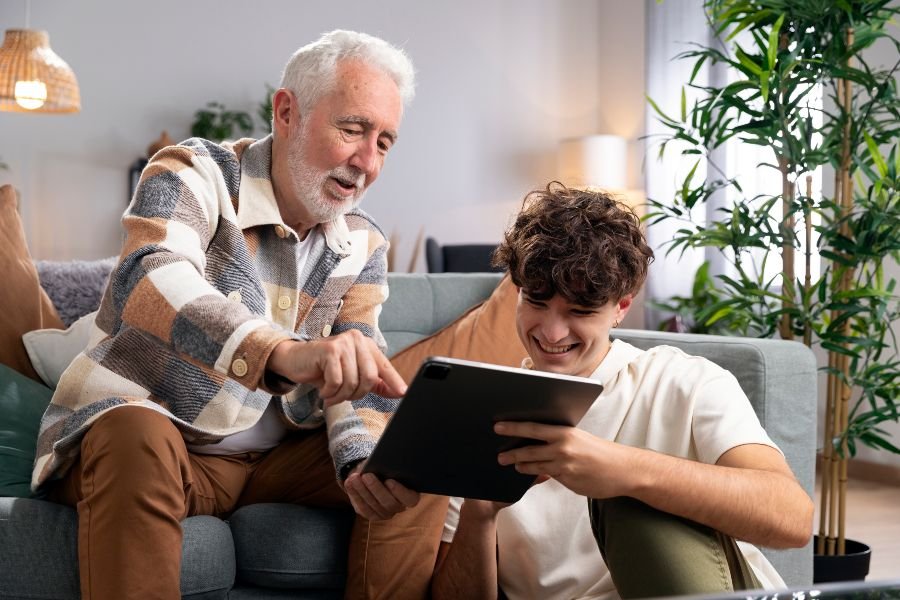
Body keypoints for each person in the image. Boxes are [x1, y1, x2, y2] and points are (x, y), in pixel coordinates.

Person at [33, 30, 446, 600]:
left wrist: (360, 461)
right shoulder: (191, 172)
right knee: (133, 432)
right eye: (351, 130)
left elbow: (358, 368)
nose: (366, 161)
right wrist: (279, 351)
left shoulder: (362, 242)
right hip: (159, 441)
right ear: (286, 112)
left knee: (410, 468)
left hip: (271, 463)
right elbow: (149, 274)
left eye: (384, 142)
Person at [431, 182, 814, 600]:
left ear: (621, 308)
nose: (552, 332)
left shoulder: (686, 381)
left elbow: (792, 519)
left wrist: (624, 469)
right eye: (536, 302)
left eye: (580, 312)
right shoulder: (482, 414)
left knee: (628, 499)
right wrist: (479, 514)